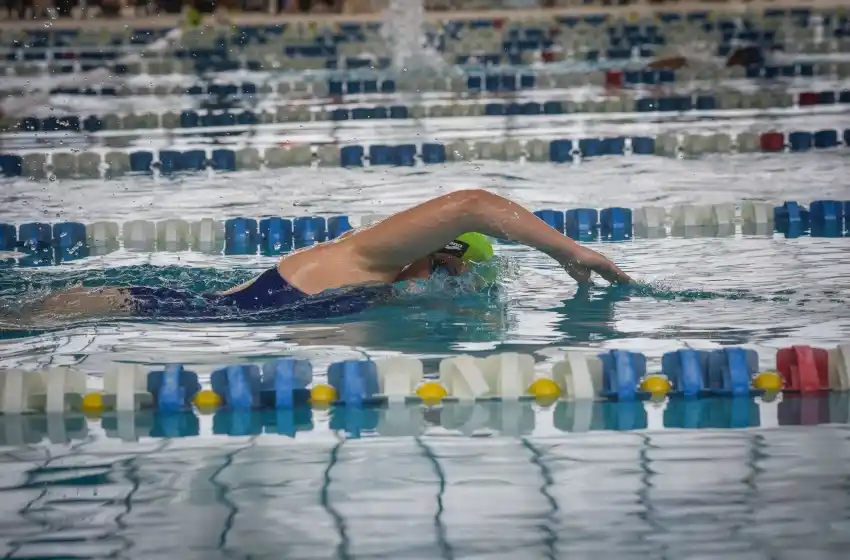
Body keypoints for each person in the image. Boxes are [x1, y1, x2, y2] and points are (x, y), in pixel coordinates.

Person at [32, 189, 632, 320]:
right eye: (444, 265)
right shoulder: (363, 259)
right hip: (119, 306)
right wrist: (567, 251)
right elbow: (473, 203)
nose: (434, 276)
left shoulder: (385, 287)